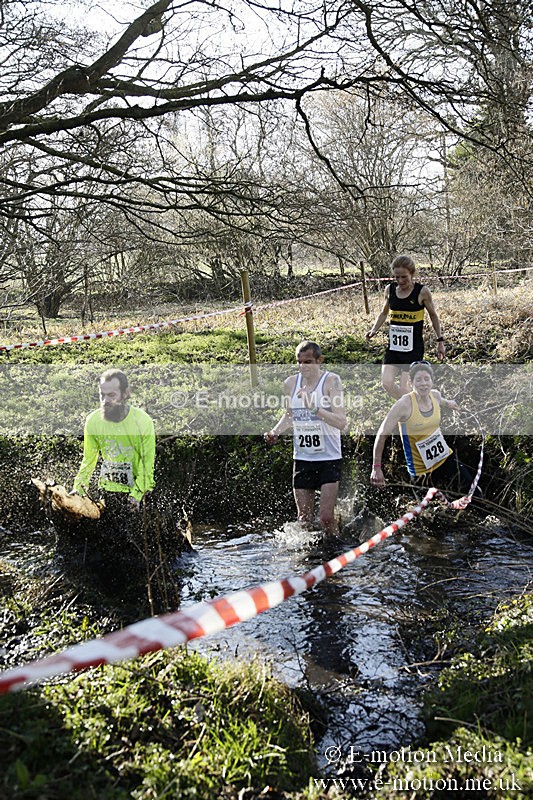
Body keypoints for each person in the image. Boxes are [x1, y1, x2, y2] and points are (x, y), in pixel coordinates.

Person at [264, 341, 346, 534]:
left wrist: (315, 409)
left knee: (326, 518)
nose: (303, 367)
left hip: (329, 457)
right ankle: (308, 560)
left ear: (319, 361)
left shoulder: (331, 381)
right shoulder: (290, 383)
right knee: (304, 520)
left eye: (308, 362)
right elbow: (290, 415)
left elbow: (341, 422)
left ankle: (335, 549)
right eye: (299, 362)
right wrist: (275, 432)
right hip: (302, 458)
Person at [370, 360, 477, 497]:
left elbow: (444, 402)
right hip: (422, 471)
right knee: (432, 514)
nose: (423, 383)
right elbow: (382, 434)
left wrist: (451, 404)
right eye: (418, 380)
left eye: (427, 379)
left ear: (432, 380)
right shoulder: (404, 404)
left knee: (473, 493)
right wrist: (376, 467)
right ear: (411, 382)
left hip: (445, 458)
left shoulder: (435, 396)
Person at [72, 369, 155, 511]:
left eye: (111, 395)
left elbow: (147, 463)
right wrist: (78, 490)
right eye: (102, 395)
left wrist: (137, 494)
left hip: (138, 490)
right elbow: (89, 459)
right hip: (108, 489)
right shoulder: (93, 421)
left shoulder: (142, 421)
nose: (105, 401)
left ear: (125, 393)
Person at [366, 254, 445, 399]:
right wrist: (374, 329)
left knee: (405, 388)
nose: (400, 281)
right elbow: (384, 314)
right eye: (397, 277)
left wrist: (440, 341)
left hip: (413, 348)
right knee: (386, 383)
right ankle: (408, 407)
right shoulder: (389, 290)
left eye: (404, 277)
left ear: (412, 274)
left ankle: (408, 414)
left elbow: (433, 316)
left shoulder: (422, 292)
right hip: (394, 348)